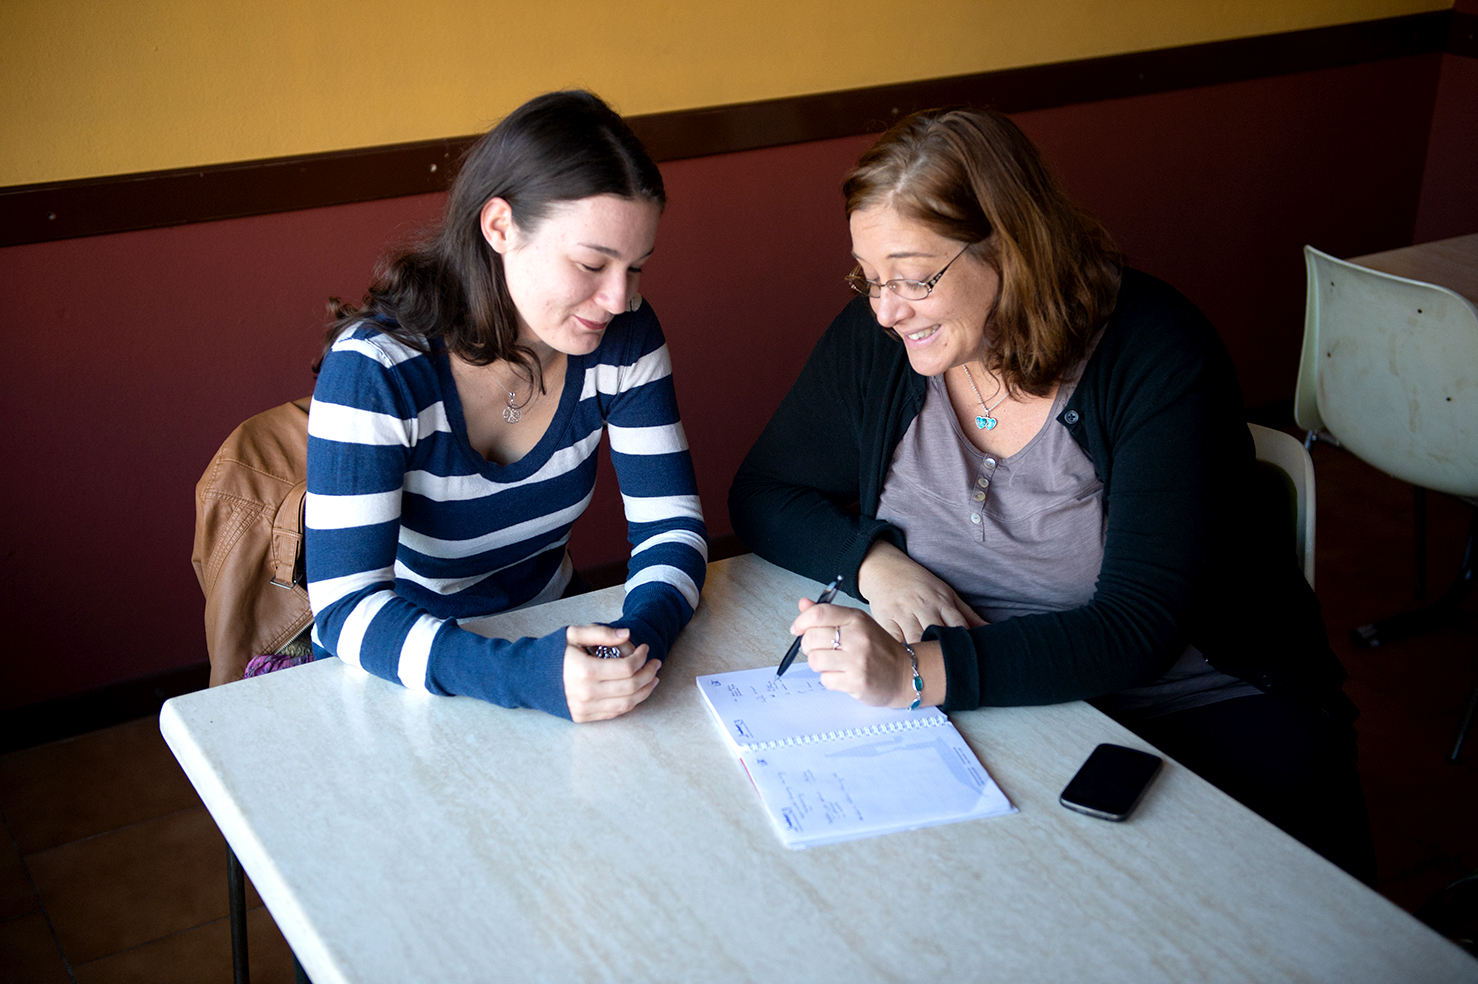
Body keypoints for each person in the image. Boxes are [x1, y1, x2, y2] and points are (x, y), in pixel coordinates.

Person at [728, 107, 1375, 882]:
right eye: (868, 277)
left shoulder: (1157, 354)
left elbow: (1139, 628)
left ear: (1009, 245)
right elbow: (763, 491)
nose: (885, 309)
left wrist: (913, 674)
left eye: (915, 276)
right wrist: (874, 564)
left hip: (1196, 717)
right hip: (1012, 711)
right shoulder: (882, 344)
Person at [306, 91, 707, 723]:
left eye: (636, 268)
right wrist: (524, 674)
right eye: (592, 263)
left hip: (554, 638)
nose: (620, 298)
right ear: (500, 227)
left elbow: (671, 529)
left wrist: (635, 646)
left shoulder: (625, 338)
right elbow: (343, 610)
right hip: (406, 668)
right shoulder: (377, 369)